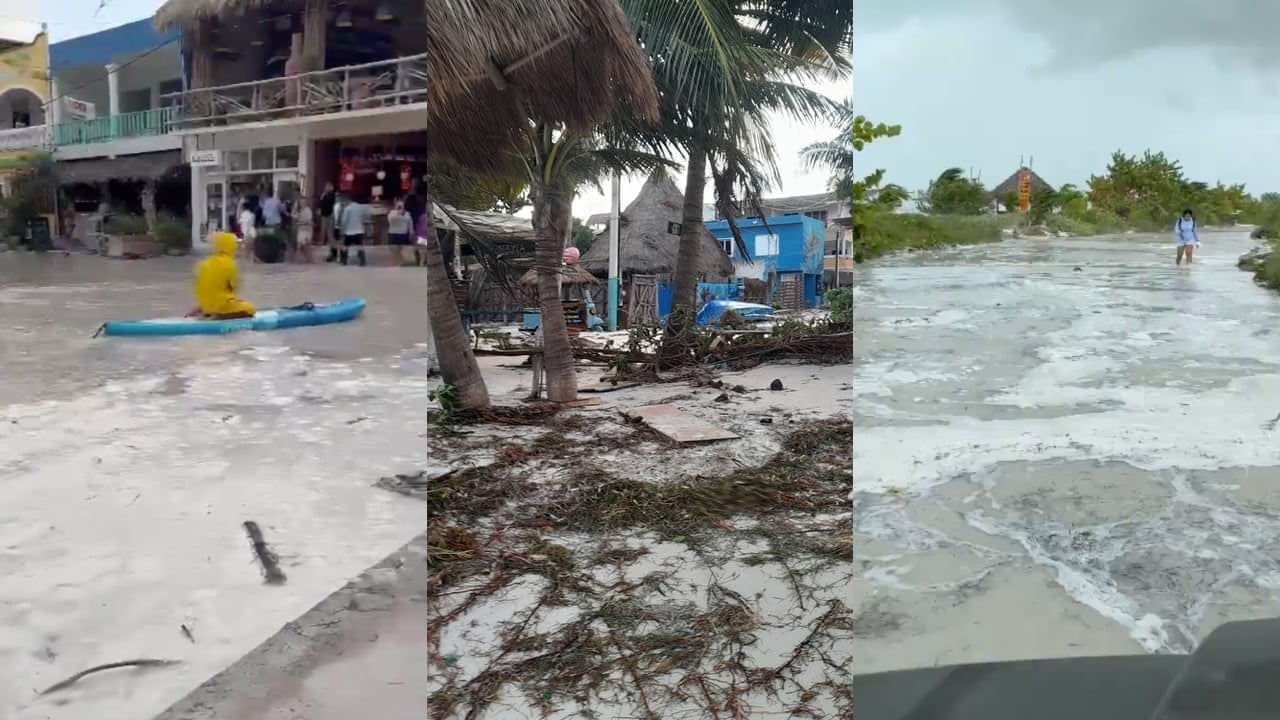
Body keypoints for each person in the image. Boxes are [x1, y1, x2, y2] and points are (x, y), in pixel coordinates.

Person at [191, 232, 256, 319]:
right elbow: (234, 288)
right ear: (230, 246)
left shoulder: (204, 264)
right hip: (220, 307)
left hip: (206, 307)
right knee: (250, 309)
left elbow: (203, 289)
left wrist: (202, 306)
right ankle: (220, 316)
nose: (237, 247)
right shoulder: (230, 264)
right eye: (235, 244)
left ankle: (209, 312)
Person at [336, 193, 370, 266]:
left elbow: (344, 221)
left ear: (349, 200)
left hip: (349, 231)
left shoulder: (348, 209)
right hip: (359, 231)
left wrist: (342, 229)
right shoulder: (360, 208)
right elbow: (365, 218)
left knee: (345, 246)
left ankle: (344, 261)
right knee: (360, 246)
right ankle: (362, 261)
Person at [387, 199, 413, 265]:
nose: (400, 207)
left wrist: (411, 232)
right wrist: (397, 212)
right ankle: (396, 262)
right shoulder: (392, 213)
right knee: (393, 250)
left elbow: (410, 224)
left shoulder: (407, 214)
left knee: (401, 250)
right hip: (393, 234)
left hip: (403, 235)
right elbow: (391, 221)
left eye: (402, 205)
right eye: (399, 205)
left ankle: (400, 262)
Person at [319, 182, 338, 262]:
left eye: (329, 187)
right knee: (326, 232)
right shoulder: (324, 195)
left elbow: (331, 203)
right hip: (324, 215)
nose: (327, 188)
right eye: (326, 186)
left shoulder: (333, 195)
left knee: (330, 235)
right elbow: (321, 201)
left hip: (330, 215)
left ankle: (334, 253)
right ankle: (330, 251)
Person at [293, 198, 314, 263]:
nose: (302, 204)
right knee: (301, 245)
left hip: (306, 229)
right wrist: (296, 207)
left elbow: (308, 221)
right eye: (301, 202)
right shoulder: (300, 211)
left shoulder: (308, 211)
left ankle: (307, 259)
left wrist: (299, 223)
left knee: (304, 245)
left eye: (303, 202)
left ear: (306, 203)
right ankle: (307, 259)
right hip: (301, 229)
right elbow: (294, 215)